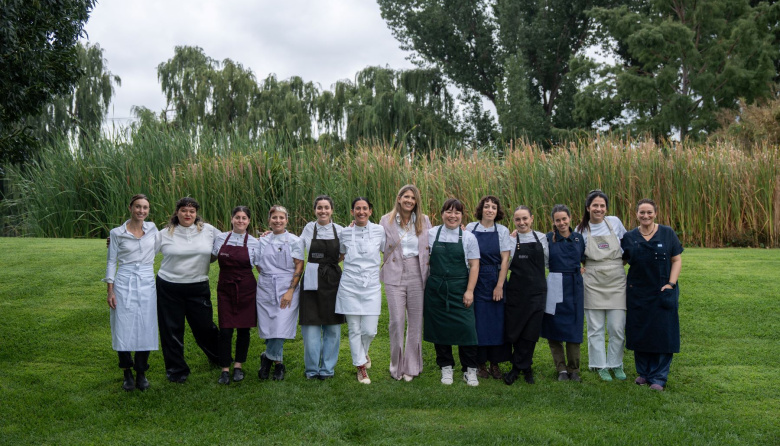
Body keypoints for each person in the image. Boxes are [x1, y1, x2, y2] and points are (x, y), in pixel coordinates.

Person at [156, 197, 221, 383]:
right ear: (177, 212)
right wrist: (118, 242)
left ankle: (219, 358)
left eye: (191, 211)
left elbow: (231, 239)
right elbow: (142, 248)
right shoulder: (164, 234)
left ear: (196, 214)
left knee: (205, 327)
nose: (188, 214)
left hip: (198, 285)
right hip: (169, 286)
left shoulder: (208, 230)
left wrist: (264, 238)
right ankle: (176, 371)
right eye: (184, 210)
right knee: (171, 330)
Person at [621, 199, 683, 391]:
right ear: (636, 214)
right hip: (637, 293)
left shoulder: (667, 233)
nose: (645, 216)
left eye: (649, 212)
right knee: (640, 332)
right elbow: (618, 263)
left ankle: (659, 377)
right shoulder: (629, 237)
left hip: (662, 291)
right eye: (642, 213)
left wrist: (671, 284)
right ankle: (644, 373)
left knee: (663, 334)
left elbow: (676, 259)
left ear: (655, 213)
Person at [104, 194, 159, 391]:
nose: (141, 211)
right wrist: (110, 290)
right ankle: (127, 371)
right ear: (130, 208)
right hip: (124, 279)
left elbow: (166, 244)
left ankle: (141, 371)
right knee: (123, 324)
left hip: (146, 280)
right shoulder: (117, 233)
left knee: (146, 324)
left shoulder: (153, 230)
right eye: (138, 207)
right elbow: (111, 261)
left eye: (145, 207)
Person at [424, 198, 481, 387]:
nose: (453, 216)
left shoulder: (468, 237)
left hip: (460, 289)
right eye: (449, 211)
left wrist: (470, 291)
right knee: (440, 330)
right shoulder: (431, 234)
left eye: (457, 212)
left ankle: (470, 370)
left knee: (467, 329)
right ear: (442, 214)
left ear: (462, 216)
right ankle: (446, 367)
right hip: (437, 290)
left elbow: (474, 265)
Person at [379, 184, 430, 382]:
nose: (409, 200)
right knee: (396, 321)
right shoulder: (385, 220)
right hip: (394, 272)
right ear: (399, 198)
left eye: (413, 197)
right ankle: (396, 366)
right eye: (406, 196)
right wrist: (354, 228)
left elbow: (433, 241)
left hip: (418, 272)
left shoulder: (424, 220)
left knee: (416, 322)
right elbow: (374, 239)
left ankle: (412, 366)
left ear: (416, 201)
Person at [576, 190, 628, 382]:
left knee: (617, 327)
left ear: (606, 208)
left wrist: (617, 266)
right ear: (588, 207)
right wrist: (580, 269)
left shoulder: (614, 222)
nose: (599, 209)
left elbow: (628, 245)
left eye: (602, 206)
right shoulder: (580, 230)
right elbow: (575, 254)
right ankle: (600, 364)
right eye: (595, 205)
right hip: (593, 280)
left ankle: (616, 363)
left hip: (616, 280)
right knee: (595, 327)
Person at [336, 197, 386, 384]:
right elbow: (340, 254)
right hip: (350, 285)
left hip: (371, 286)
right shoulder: (345, 233)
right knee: (354, 329)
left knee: (370, 330)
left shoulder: (379, 231)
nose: (361, 212)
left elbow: (387, 250)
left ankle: (363, 353)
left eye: (365, 208)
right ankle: (361, 367)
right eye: (357, 208)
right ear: (352, 212)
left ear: (370, 212)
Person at [254, 205, 305, 382]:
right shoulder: (262, 241)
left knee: (281, 326)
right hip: (266, 287)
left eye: (281, 218)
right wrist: (269, 278)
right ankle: (278, 364)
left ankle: (267, 358)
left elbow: (299, 264)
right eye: (274, 217)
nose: (278, 221)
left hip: (287, 287)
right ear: (269, 220)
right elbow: (258, 264)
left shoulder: (294, 240)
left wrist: (290, 290)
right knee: (270, 327)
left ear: (287, 220)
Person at [465, 195, 512, 380]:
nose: (490, 210)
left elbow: (505, 259)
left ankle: (495, 363)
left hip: (495, 278)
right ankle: (480, 363)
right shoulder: (470, 228)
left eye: (493, 207)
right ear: (481, 209)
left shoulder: (502, 231)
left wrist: (499, 285)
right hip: (476, 279)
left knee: (497, 324)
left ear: (497, 211)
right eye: (487, 206)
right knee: (478, 324)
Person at [299, 195, 345, 380]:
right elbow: (294, 244)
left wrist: (329, 264)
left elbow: (342, 253)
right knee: (311, 326)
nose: (323, 211)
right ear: (315, 210)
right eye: (319, 207)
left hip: (333, 281)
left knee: (333, 327)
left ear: (332, 210)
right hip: (311, 279)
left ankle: (327, 369)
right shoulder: (309, 228)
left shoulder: (340, 230)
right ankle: (311, 370)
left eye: (326, 207)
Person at [211, 206, 259, 385]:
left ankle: (238, 366)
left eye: (244, 218)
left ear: (249, 221)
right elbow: (210, 257)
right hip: (225, 288)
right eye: (237, 217)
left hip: (246, 288)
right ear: (231, 219)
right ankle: (224, 368)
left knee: (244, 329)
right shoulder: (221, 238)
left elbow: (260, 266)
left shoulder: (255, 242)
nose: (240, 221)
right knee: (225, 330)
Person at [503, 206, 549, 385]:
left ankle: (519, 368)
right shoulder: (510, 240)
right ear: (514, 221)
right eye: (518, 219)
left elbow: (548, 262)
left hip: (537, 291)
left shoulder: (542, 238)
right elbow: (505, 264)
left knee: (531, 331)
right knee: (516, 330)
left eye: (525, 219)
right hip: (516, 292)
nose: (521, 222)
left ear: (532, 219)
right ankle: (524, 366)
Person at [541, 204, 586, 382]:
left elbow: (584, 258)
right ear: (553, 221)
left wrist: (582, 269)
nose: (561, 223)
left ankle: (573, 369)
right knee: (554, 326)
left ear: (570, 218)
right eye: (557, 220)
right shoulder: (547, 238)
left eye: (564, 219)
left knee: (574, 326)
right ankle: (560, 369)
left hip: (574, 285)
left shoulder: (578, 238)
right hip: (554, 284)